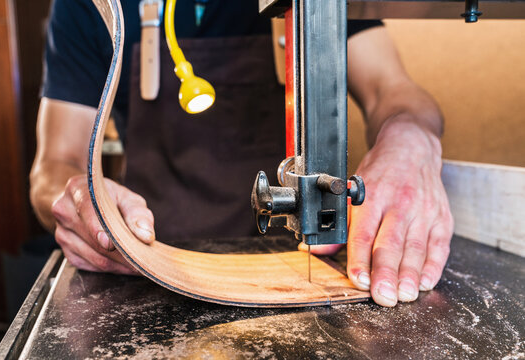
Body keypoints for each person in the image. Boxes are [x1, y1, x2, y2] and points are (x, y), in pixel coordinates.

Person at [30, 0, 453, 308]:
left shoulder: (309, 7)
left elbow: (392, 90)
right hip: (147, 266)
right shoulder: (89, 7)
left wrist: (410, 138)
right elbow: (55, 162)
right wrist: (79, 199)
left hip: (295, 258)